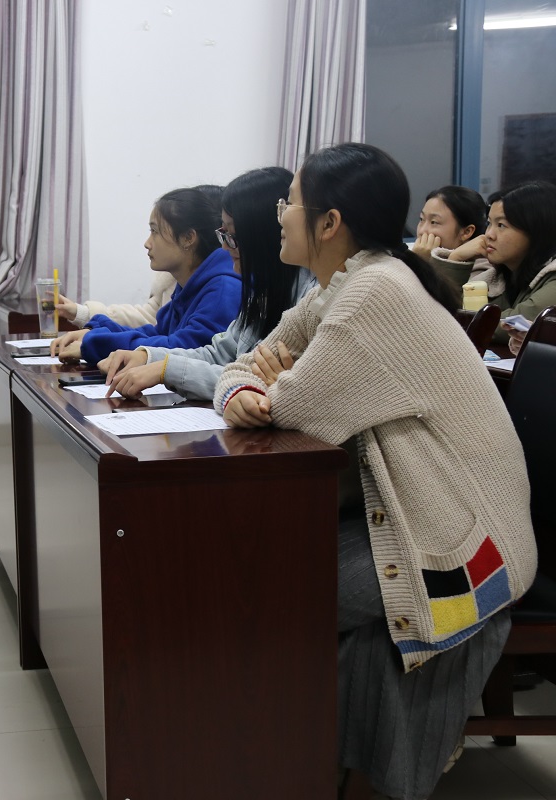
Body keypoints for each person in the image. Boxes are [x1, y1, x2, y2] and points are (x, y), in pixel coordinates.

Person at [212, 143, 536, 800]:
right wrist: (244, 387)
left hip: (462, 538)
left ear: (329, 222)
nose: (280, 216)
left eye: (289, 203)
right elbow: (248, 365)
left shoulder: (374, 293)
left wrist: (270, 388)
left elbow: (294, 409)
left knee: (264, 589)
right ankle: (291, 753)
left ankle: (282, 757)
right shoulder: (345, 285)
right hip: (414, 512)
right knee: (255, 572)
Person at [97, 167, 315, 401]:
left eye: (232, 237)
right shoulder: (264, 292)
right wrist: (149, 357)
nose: (225, 247)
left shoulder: (305, 297)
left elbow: (253, 378)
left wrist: (165, 369)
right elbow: (221, 354)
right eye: (223, 234)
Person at [48, 185, 241, 364]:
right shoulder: (190, 283)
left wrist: (99, 343)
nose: (147, 243)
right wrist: (98, 330)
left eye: (155, 231)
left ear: (188, 238)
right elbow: (158, 333)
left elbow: (183, 348)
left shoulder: (223, 289)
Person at [431, 181, 556, 352]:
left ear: (536, 230)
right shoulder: (502, 275)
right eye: (489, 223)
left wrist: (451, 319)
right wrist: (456, 258)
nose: (488, 234)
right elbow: (438, 310)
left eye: (501, 225)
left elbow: (501, 324)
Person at [409, 185, 488, 289]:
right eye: (421, 219)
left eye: (434, 222)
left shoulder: (483, 269)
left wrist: (421, 264)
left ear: (466, 232)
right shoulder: (418, 254)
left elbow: (444, 297)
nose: (422, 231)